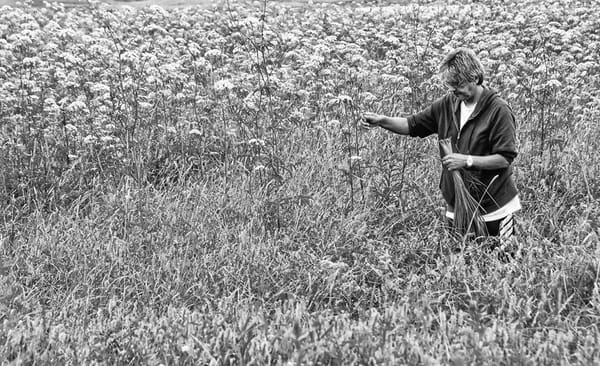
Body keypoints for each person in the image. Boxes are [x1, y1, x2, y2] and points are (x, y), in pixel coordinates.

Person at [363, 47, 520, 240]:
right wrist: (382, 121)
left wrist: (467, 161)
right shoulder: (448, 104)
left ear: (475, 78)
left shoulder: (498, 110)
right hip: (457, 205)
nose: (454, 89)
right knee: (460, 264)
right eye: (450, 85)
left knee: (501, 263)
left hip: (494, 206)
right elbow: (412, 125)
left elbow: (505, 158)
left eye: (458, 84)